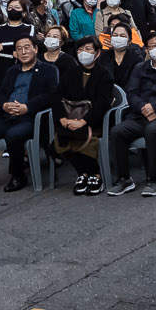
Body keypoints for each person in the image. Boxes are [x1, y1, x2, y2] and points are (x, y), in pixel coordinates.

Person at [0, 33, 58, 195]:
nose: (23, 52)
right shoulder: (12, 71)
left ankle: (18, 175)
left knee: (13, 135)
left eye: (27, 47)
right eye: (19, 49)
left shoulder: (48, 70)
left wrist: (27, 107)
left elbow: (51, 95)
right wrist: (5, 105)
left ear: (36, 49)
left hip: (31, 118)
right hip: (7, 116)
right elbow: (0, 93)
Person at [108, 34, 156, 196]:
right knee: (118, 132)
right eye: (153, 45)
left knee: (153, 131)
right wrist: (144, 108)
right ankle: (124, 178)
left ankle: (154, 180)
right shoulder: (140, 68)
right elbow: (132, 94)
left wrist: (155, 108)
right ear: (147, 50)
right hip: (140, 114)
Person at [53, 35, 115, 194]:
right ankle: (82, 173)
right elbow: (57, 97)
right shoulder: (71, 72)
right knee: (61, 140)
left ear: (97, 53)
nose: (83, 53)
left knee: (86, 138)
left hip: (94, 120)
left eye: (88, 49)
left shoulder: (104, 75)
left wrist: (83, 121)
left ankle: (96, 174)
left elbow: (103, 103)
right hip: (69, 118)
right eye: (80, 50)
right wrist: (63, 119)